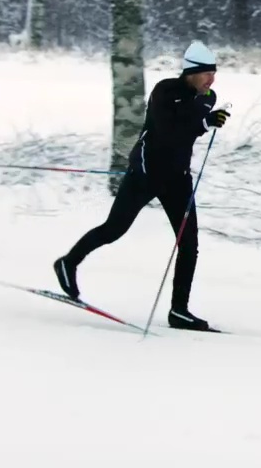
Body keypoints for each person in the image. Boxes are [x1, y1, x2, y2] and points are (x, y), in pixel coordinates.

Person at [52, 40, 231, 331]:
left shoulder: (208, 97)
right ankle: (68, 263)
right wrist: (203, 123)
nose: (212, 79)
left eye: (214, 73)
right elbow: (169, 132)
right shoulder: (165, 91)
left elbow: (191, 130)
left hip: (178, 178)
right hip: (146, 173)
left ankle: (179, 311)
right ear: (191, 72)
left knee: (189, 244)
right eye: (207, 73)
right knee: (114, 229)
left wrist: (209, 121)